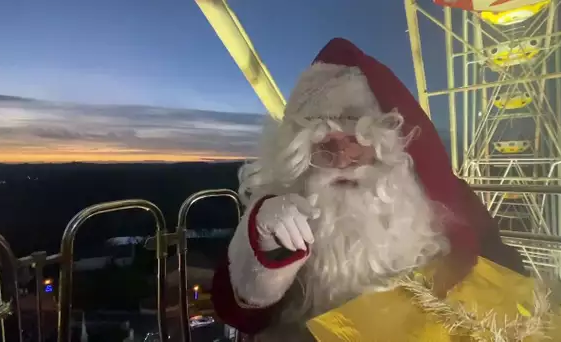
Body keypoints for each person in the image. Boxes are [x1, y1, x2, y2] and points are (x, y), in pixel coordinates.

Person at [210, 38, 524, 341]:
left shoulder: (443, 199)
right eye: (325, 145)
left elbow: (507, 275)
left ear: (385, 143)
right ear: (300, 154)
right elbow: (237, 315)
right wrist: (264, 251)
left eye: (357, 139)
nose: (343, 158)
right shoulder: (278, 212)